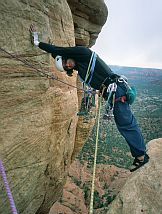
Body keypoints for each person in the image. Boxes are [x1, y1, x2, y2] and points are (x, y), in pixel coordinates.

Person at [29, 25, 149, 171]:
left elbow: (57, 50)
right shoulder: (81, 67)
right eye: (66, 67)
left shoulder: (83, 53)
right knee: (126, 123)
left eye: (66, 62)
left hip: (116, 90)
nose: (68, 65)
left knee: (126, 124)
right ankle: (140, 153)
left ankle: (141, 157)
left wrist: (37, 42)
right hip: (113, 91)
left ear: (68, 57)